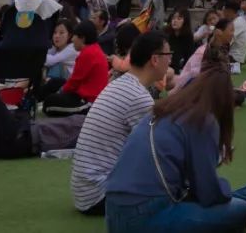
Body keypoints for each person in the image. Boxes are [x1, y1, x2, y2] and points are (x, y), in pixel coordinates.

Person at [103, 59, 246, 231]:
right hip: (148, 214)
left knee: (234, 198)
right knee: (242, 208)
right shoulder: (203, 120)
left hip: (113, 211)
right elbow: (208, 192)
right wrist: (224, 189)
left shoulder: (162, 111)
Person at [70, 31, 172, 215]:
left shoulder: (120, 84)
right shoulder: (138, 98)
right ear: (155, 59)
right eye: (168, 55)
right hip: (101, 194)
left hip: (86, 191)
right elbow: (159, 152)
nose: (170, 61)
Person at [51, 19, 109, 112]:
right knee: (56, 82)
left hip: (88, 101)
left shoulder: (87, 54)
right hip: (87, 95)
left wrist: (60, 92)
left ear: (82, 38)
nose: (72, 39)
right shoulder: (93, 49)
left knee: (50, 103)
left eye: (74, 36)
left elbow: (75, 81)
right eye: (55, 32)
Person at [176, 18, 235, 90]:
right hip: (199, 83)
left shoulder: (224, 47)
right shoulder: (208, 49)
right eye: (231, 30)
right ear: (219, 32)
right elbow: (196, 73)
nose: (233, 34)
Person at [39, 19, 78, 100]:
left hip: (70, 85)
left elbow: (50, 60)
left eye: (61, 33)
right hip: (57, 82)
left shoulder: (72, 48)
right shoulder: (56, 48)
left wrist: (37, 54)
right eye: (55, 32)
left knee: (57, 64)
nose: (57, 36)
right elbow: (44, 56)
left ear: (69, 35)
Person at [165, 9, 196, 74]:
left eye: (179, 19)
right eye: (173, 18)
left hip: (181, 70)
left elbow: (189, 58)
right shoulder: (165, 34)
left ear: (185, 21)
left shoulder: (188, 37)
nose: (175, 21)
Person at [226, 0, 246, 73]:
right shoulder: (236, 20)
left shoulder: (237, 22)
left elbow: (226, 42)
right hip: (234, 56)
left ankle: (234, 67)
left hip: (234, 57)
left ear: (230, 11)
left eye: (224, 11)